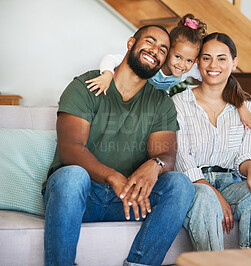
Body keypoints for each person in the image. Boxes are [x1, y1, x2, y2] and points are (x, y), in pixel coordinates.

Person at [43, 25, 195, 266]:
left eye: (163, 49)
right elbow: (70, 148)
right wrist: (113, 176)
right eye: (150, 42)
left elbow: (166, 153)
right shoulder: (86, 86)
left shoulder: (160, 102)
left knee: (180, 185)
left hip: (127, 198)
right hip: (82, 195)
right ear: (130, 43)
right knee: (71, 176)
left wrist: (155, 165)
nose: (155, 50)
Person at [172, 32, 251, 251]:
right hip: (196, 187)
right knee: (205, 198)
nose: (214, 65)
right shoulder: (179, 103)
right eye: (206, 57)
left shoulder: (246, 108)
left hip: (230, 183)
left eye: (222, 58)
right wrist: (215, 195)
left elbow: (244, 156)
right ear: (198, 63)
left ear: (234, 63)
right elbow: (182, 160)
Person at [85, 14, 251, 133]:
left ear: (195, 61)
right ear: (167, 52)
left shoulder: (189, 69)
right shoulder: (153, 62)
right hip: (127, 94)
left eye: (189, 60)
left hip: (151, 103)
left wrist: (241, 106)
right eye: (177, 57)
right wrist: (107, 74)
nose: (182, 65)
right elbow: (111, 58)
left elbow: (220, 79)